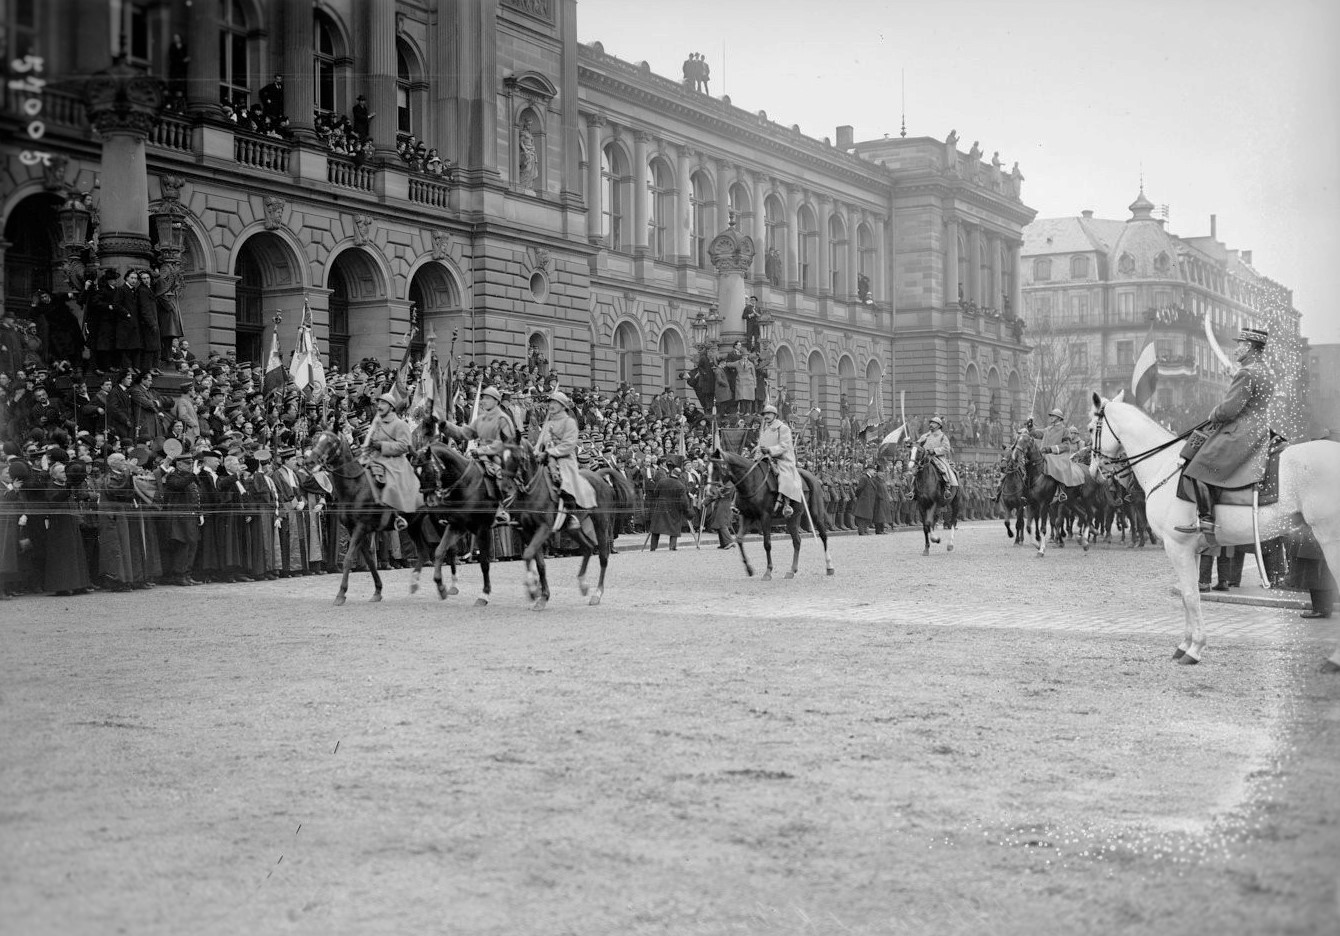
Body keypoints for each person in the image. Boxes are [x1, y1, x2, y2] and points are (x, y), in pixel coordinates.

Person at [1175, 326, 1274, 543]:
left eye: (1239, 345)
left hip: (1241, 431)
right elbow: (1250, 398)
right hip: (1259, 430)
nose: (1236, 349)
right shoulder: (1265, 371)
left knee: (1197, 466)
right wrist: (1234, 377)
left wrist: (1213, 413)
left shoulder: (1247, 373)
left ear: (1248, 347)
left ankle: (1206, 520)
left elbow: (1229, 410)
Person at [441, 385, 518, 525]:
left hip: (498, 455)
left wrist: (483, 450)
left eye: (488, 398)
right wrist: (445, 426)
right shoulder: (481, 419)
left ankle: (503, 510)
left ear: (496, 401)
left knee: (499, 475)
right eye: (483, 398)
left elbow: (504, 442)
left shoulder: (503, 419)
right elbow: (465, 433)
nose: (483, 401)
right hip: (480, 454)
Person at [535, 390, 598, 547]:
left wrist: (550, 452)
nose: (552, 405)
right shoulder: (547, 423)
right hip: (545, 459)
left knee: (565, 484)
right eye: (550, 403)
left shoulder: (569, 422)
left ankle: (572, 515)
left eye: (555, 403)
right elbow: (540, 443)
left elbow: (569, 444)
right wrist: (536, 452)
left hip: (563, 460)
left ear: (563, 406)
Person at [363, 392, 421, 532]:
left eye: (383, 403)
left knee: (390, 485)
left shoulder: (400, 424)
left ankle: (396, 517)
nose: (379, 406)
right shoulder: (376, 423)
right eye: (379, 403)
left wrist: (382, 446)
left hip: (395, 462)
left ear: (391, 407)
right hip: (375, 459)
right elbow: (372, 443)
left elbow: (404, 446)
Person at [752, 402, 805, 518]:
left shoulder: (783, 428)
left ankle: (787, 504)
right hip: (765, 459)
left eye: (769, 414)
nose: (766, 416)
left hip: (782, 459)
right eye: (765, 414)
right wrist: (755, 458)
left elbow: (784, 446)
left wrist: (770, 450)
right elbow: (760, 447)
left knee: (783, 477)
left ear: (775, 415)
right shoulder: (764, 430)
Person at [915, 415, 958, 500]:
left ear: (938, 425)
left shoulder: (942, 436)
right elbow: (917, 444)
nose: (931, 424)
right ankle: (913, 490)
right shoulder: (925, 436)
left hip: (937, 457)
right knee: (915, 471)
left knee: (944, 469)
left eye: (933, 423)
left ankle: (947, 488)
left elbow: (946, 449)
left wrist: (934, 451)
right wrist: (910, 443)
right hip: (925, 457)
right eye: (930, 422)